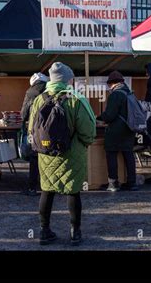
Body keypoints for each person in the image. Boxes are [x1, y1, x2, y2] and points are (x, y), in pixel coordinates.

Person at [28, 62, 96, 246]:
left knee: (47, 191)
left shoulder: (39, 99)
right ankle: (75, 233)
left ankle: (44, 231)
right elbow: (87, 130)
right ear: (67, 80)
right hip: (72, 154)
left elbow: (31, 128)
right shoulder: (76, 99)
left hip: (46, 153)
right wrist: (85, 143)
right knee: (73, 192)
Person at [97, 71, 138, 192]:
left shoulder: (116, 95)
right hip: (129, 129)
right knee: (128, 155)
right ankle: (132, 182)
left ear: (111, 83)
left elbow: (110, 115)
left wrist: (98, 117)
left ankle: (113, 183)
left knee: (111, 154)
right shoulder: (130, 93)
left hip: (116, 131)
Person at [20, 72, 49, 196]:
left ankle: (32, 187)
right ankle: (49, 186)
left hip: (35, 130)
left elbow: (24, 114)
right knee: (48, 157)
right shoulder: (51, 90)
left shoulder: (31, 92)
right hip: (50, 130)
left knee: (34, 158)